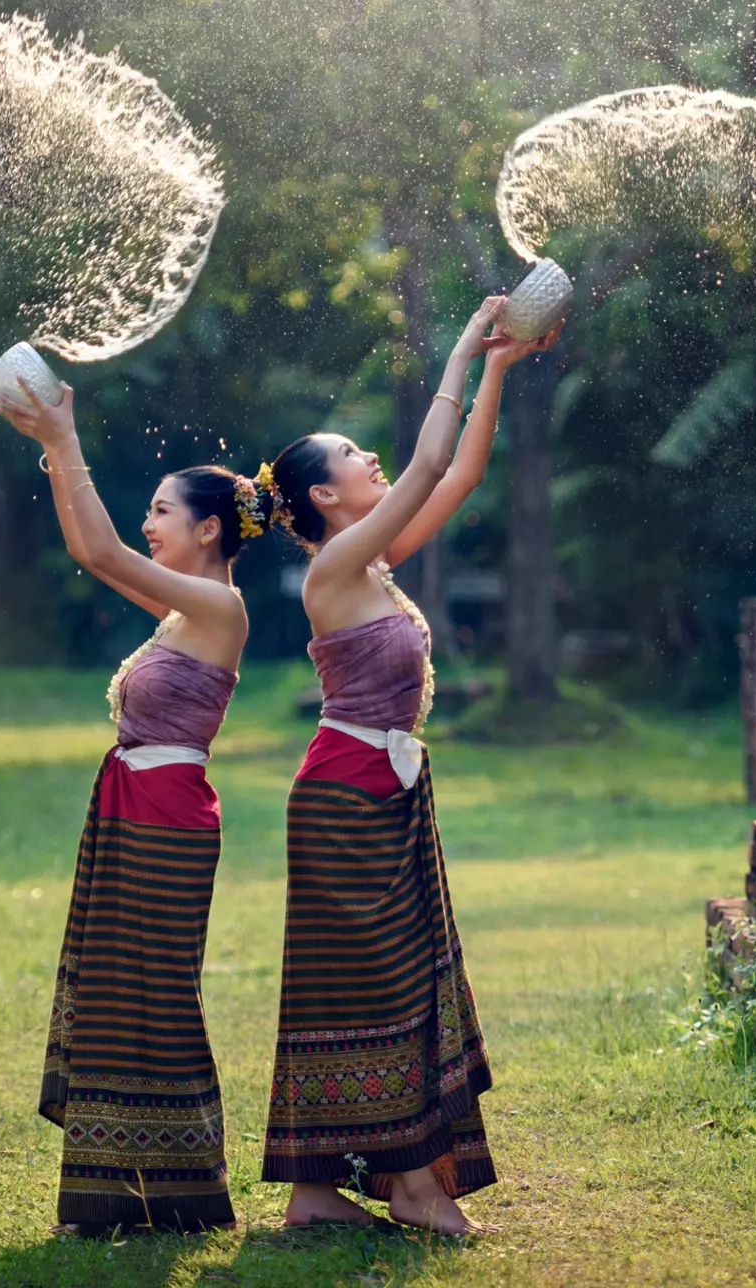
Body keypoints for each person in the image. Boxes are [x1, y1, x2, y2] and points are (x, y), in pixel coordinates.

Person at [258, 295, 561, 1234]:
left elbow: (459, 472)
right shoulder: (334, 569)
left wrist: (498, 369)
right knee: (378, 988)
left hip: (377, 796)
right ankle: (413, 1189)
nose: (372, 459)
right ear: (322, 497)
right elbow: (427, 462)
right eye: (353, 454)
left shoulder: (372, 560)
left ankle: (318, 1191)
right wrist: (463, 346)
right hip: (345, 798)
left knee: (364, 988)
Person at [0, 378, 264, 1233]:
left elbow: (108, 553)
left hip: (166, 820)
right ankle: (112, 1191)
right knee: (117, 994)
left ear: (208, 529)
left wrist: (65, 435)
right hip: (132, 811)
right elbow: (91, 550)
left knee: (158, 997)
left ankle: (184, 1191)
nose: (148, 523)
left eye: (161, 511)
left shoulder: (219, 607)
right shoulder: (181, 612)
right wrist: (51, 446)